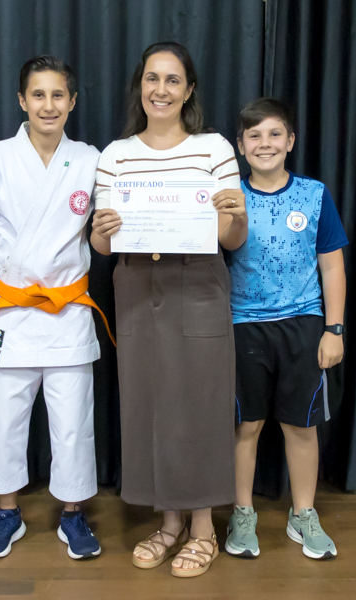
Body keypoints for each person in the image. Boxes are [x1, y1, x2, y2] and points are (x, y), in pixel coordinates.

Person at [0, 56, 111, 561]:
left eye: (58, 95)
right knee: (5, 419)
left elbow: (109, 221)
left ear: (72, 102)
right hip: (10, 312)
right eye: (38, 95)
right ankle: (7, 512)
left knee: (73, 422)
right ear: (22, 101)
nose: (48, 105)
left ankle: (73, 514)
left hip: (68, 310)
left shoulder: (90, 160)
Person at [90, 41, 248, 578]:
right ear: (140, 85)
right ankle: (169, 522)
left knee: (198, 405)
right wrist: (101, 230)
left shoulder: (213, 149)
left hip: (197, 282)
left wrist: (236, 215)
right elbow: (103, 246)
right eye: (152, 78)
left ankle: (203, 529)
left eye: (173, 80)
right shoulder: (115, 155)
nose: (161, 90)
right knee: (149, 405)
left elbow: (232, 238)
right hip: (137, 283)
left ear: (189, 90)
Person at [224, 98, 348, 560]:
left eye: (275, 134)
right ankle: (242, 513)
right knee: (247, 426)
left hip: (303, 325)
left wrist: (334, 329)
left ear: (290, 141)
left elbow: (332, 266)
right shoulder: (230, 197)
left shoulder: (314, 195)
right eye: (254, 136)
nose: (265, 144)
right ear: (240, 146)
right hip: (244, 325)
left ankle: (303, 514)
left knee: (301, 426)